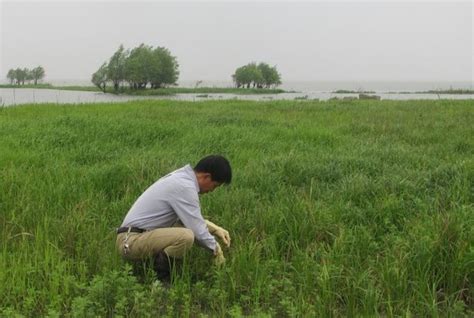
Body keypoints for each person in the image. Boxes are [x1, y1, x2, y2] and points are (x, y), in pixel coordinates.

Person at [116, 155, 232, 282]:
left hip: (136, 236)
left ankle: (155, 270)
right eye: (214, 186)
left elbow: (190, 220)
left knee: (185, 230)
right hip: (131, 242)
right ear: (206, 177)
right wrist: (216, 249)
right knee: (185, 236)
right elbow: (197, 229)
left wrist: (215, 229)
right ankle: (162, 282)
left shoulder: (182, 178)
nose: (212, 190)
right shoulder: (184, 187)